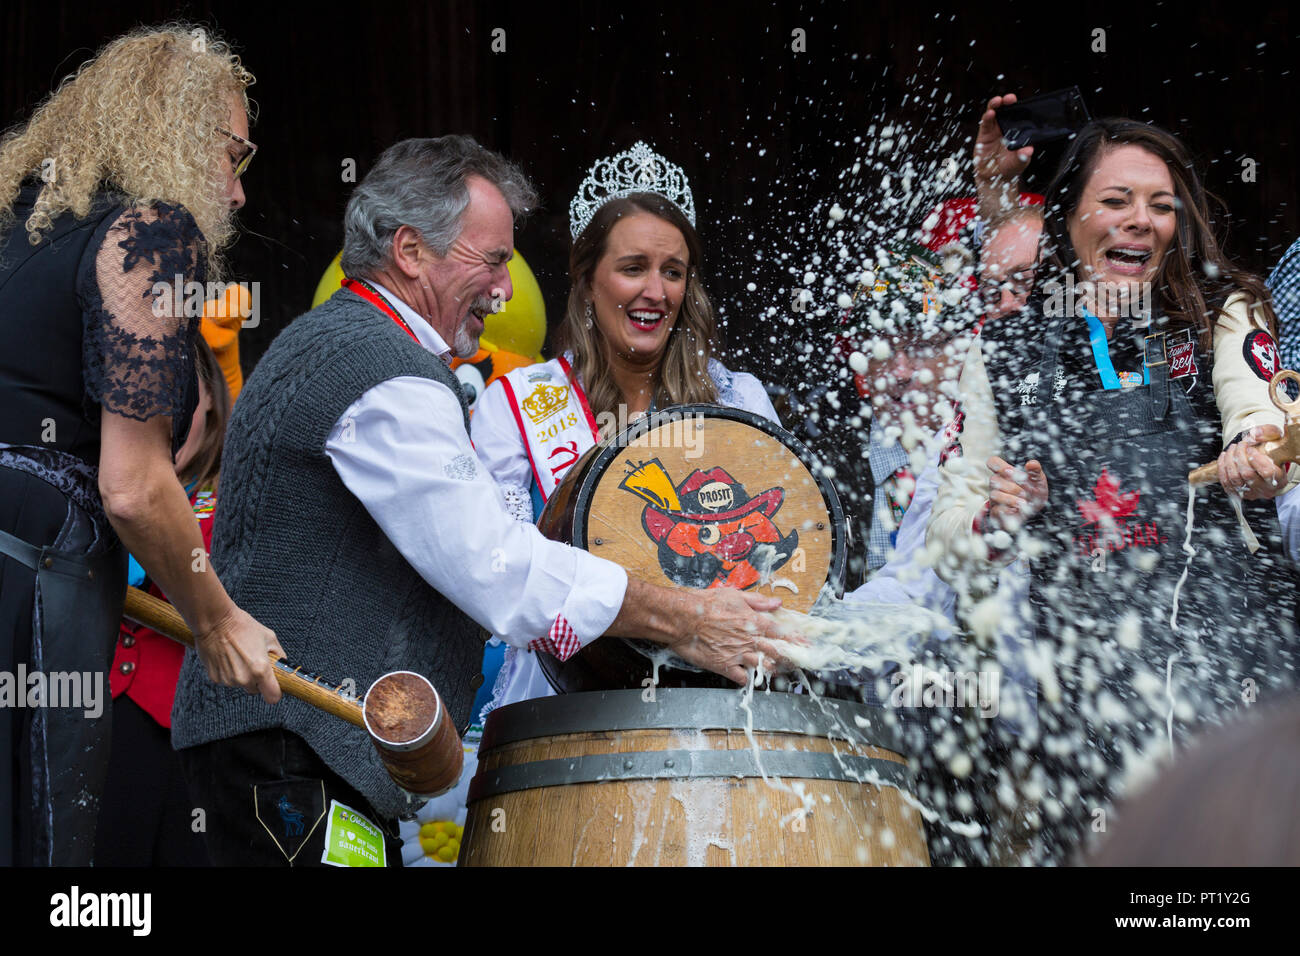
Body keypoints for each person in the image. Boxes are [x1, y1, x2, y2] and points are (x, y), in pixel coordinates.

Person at [170, 135, 791, 866]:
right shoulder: (380, 371)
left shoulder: (348, 347)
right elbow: (496, 565)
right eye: (492, 260)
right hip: (287, 766)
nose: (503, 290)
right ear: (409, 250)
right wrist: (685, 617)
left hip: (304, 765)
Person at [927, 112, 1300, 863]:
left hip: (1239, 671)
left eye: (1161, 206)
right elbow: (949, 526)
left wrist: (1255, 453)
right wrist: (997, 520)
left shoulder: (1225, 309)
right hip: (1089, 698)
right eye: (1117, 201)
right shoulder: (1003, 351)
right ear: (1068, 219)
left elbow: (1260, 413)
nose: (1142, 221)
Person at [0, 24, 282, 867]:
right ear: (175, 132)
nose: (235, 194)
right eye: (233, 155)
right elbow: (133, 485)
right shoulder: (153, 232)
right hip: (35, 572)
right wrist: (217, 620)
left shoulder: (15, 218)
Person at [471, 141, 780, 715]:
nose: (655, 293)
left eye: (673, 273)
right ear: (588, 280)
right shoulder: (513, 405)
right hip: (562, 710)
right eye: (633, 268)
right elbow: (500, 576)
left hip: (717, 709)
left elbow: (782, 566)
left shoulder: (738, 399)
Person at [97, 339, 231, 866]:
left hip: (192, 743)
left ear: (211, 400)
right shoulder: (93, 493)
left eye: (178, 397)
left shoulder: (235, 500)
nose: (164, 418)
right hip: (88, 722)